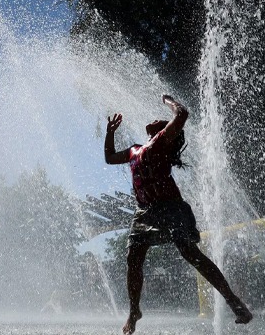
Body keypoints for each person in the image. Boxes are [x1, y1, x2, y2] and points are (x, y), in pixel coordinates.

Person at [104, 94, 252, 334]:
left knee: (190, 253)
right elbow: (109, 158)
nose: (155, 120)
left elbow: (182, 114)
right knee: (133, 258)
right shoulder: (134, 150)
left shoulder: (162, 142)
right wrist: (110, 132)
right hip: (145, 212)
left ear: (168, 133)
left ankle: (234, 302)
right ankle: (134, 311)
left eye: (162, 121)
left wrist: (168, 100)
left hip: (172, 208)